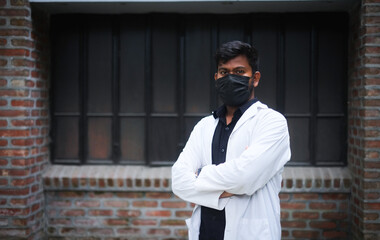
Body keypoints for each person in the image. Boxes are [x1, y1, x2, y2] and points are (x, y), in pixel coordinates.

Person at [171, 40, 291, 240]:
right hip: (206, 234)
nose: (230, 78)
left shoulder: (271, 122)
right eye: (224, 73)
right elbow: (179, 182)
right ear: (216, 77)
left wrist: (199, 175)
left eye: (239, 71)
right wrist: (230, 186)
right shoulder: (204, 126)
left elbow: (245, 177)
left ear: (255, 78)